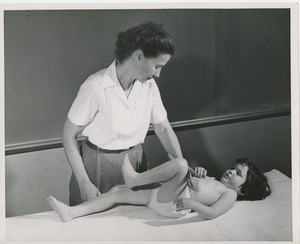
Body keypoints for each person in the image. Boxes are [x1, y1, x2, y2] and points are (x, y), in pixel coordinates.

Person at [63, 21, 183, 206]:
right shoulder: (96, 85)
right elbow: (68, 135)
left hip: (137, 166)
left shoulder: (149, 86)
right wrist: (84, 182)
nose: (158, 74)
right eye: (157, 66)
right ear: (139, 56)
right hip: (98, 168)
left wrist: (181, 167)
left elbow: (163, 128)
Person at [48, 156, 271, 222]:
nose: (231, 172)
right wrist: (198, 173)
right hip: (161, 195)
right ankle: (71, 212)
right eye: (233, 168)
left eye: (238, 174)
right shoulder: (215, 180)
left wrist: (193, 203)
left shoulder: (230, 194)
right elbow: (194, 184)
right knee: (117, 191)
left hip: (174, 205)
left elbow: (212, 213)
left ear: (243, 190)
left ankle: (136, 179)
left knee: (181, 164)